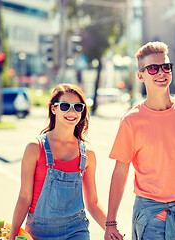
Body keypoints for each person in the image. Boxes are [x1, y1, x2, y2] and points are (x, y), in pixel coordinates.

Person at [104, 41, 175, 240]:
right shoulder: (131, 121)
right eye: (152, 68)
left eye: (165, 67)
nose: (161, 73)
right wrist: (111, 222)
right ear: (141, 75)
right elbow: (120, 172)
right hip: (151, 217)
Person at [10, 84, 106, 240]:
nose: (72, 112)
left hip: (77, 231)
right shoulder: (35, 148)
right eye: (65, 106)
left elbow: (93, 202)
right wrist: (13, 234)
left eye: (78, 107)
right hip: (38, 232)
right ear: (54, 109)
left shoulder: (88, 153)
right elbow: (24, 197)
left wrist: (111, 228)